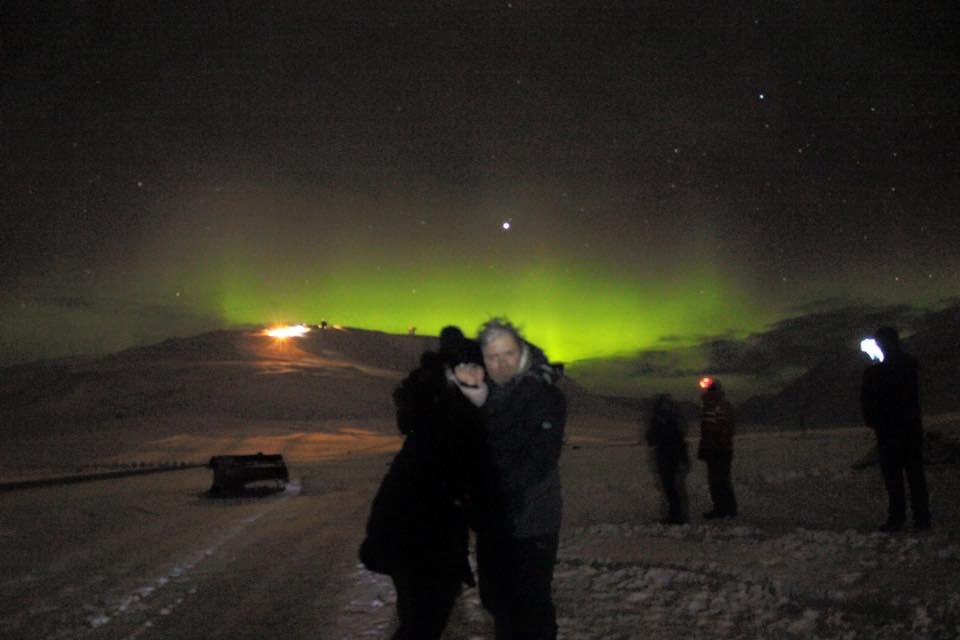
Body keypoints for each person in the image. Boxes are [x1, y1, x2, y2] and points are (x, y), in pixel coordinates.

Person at [358, 326, 488, 639]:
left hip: (410, 536)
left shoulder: (427, 430)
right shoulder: (453, 433)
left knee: (418, 617)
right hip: (427, 541)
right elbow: (466, 490)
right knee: (423, 622)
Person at [473, 318, 566, 640]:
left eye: (508, 353)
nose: (501, 363)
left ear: (522, 353)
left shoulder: (542, 395)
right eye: (492, 356)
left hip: (531, 518)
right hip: (494, 521)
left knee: (531, 605)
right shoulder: (482, 395)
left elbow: (539, 458)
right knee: (498, 601)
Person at [860, 326, 931, 532]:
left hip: (891, 431)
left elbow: (870, 401)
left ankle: (899, 518)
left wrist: (874, 421)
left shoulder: (877, 371)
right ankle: (921, 518)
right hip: (907, 429)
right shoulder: (908, 365)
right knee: (913, 475)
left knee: (896, 478)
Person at [645, 394, 690, 525]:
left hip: (669, 458)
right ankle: (675, 515)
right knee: (671, 489)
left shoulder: (669, 422)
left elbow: (654, 439)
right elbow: (651, 439)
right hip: (666, 457)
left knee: (672, 489)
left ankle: (677, 517)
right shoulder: (667, 420)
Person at [697, 378, 738, 519]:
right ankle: (728, 508)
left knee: (717, 481)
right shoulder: (723, 405)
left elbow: (711, 430)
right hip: (723, 449)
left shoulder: (712, 406)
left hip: (717, 450)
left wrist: (708, 449)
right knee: (722, 480)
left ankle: (723, 509)